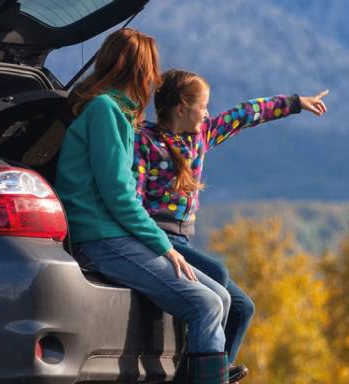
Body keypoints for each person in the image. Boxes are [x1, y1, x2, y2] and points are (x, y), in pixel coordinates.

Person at [54, 29, 230, 384]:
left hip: (114, 235)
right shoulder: (105, 110)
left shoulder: (115, 111)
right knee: (206, 305)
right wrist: (164, 246)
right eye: (152, 69)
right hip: (100, 239)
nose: (155, 80)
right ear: (138, 70)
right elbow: (118, 194)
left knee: (222, 297)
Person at [135, 68, 329, 383]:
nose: (208, 112)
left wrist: (296, 103)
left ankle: (211, 375)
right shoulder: (145, 141)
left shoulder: (201, 137)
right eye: (203, 106)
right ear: (182, 108)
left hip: (185, 242)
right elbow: (134, 197)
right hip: (159, 240)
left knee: (242, 309)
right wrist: (153, 241)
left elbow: (246, 113)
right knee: (219, 274)